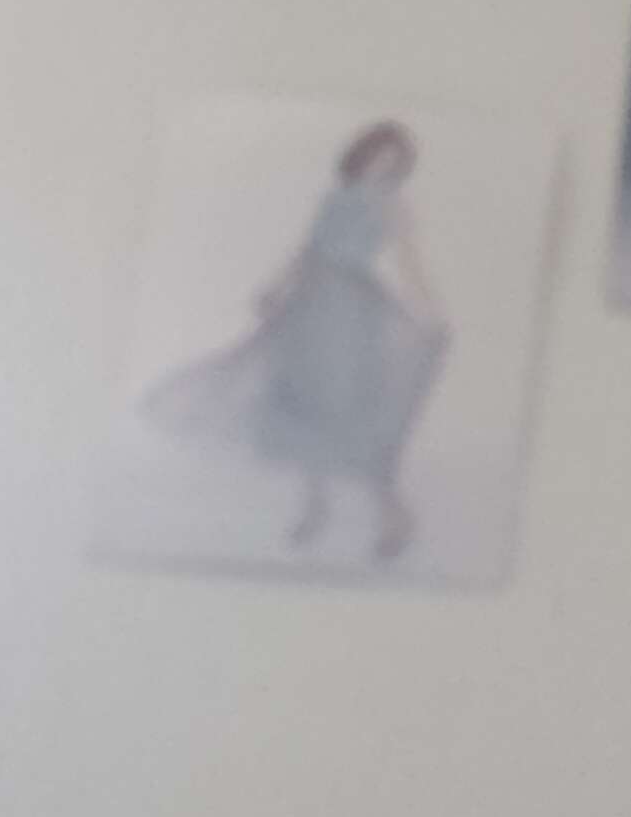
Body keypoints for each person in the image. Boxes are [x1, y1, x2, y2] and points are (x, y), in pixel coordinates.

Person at [148, 120, 450, 562]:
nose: (383, 165)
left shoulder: (393, 206)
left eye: (394, 160)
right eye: (378, 154)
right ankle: (315, 506)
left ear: (401, 166)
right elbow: (306, 250)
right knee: (301, 405)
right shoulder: (333, 198)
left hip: (351, 315)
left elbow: (410, 262)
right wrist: (276, 286)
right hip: (307, 310)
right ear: (363, 153)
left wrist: (431, 312)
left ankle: (393, 515)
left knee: (347, 414)